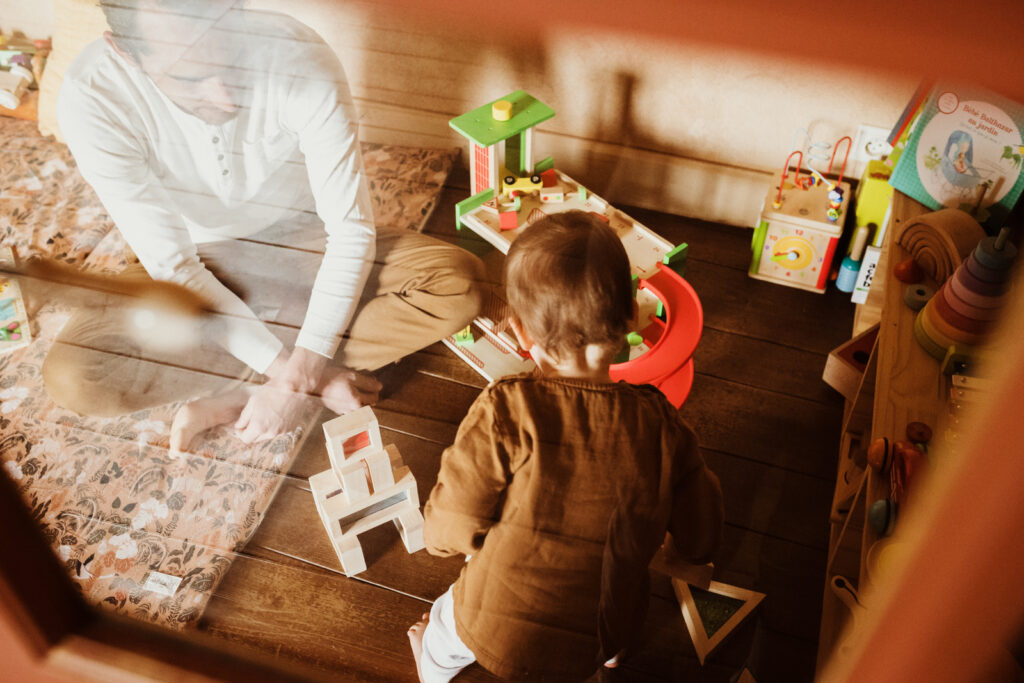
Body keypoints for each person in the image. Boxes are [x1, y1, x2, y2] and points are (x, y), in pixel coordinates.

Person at [44, 0, 483, 447]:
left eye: (232, 61)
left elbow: (349, 233)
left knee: (457, 286)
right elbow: (175, 266)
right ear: (126, 53)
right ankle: (301, 359)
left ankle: (244, 394)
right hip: (194, 263)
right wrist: (304, 369)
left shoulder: (300, 58)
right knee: (76, 374)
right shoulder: (92, 98)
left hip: (302, 241)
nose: (226, 97)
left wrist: (291, 384)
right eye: (190, 77)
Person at [409, 211, 723, 681]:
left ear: (521, 333)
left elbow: (452, 518)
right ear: (631, 319)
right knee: (617, 609)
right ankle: (612, 659)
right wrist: (691, 551)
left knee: (443, 624)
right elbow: (702, 523)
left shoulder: (507, 407)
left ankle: (431, 665)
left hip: (493, 625)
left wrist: (453, 544)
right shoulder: (661, 424)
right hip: (605, 628)